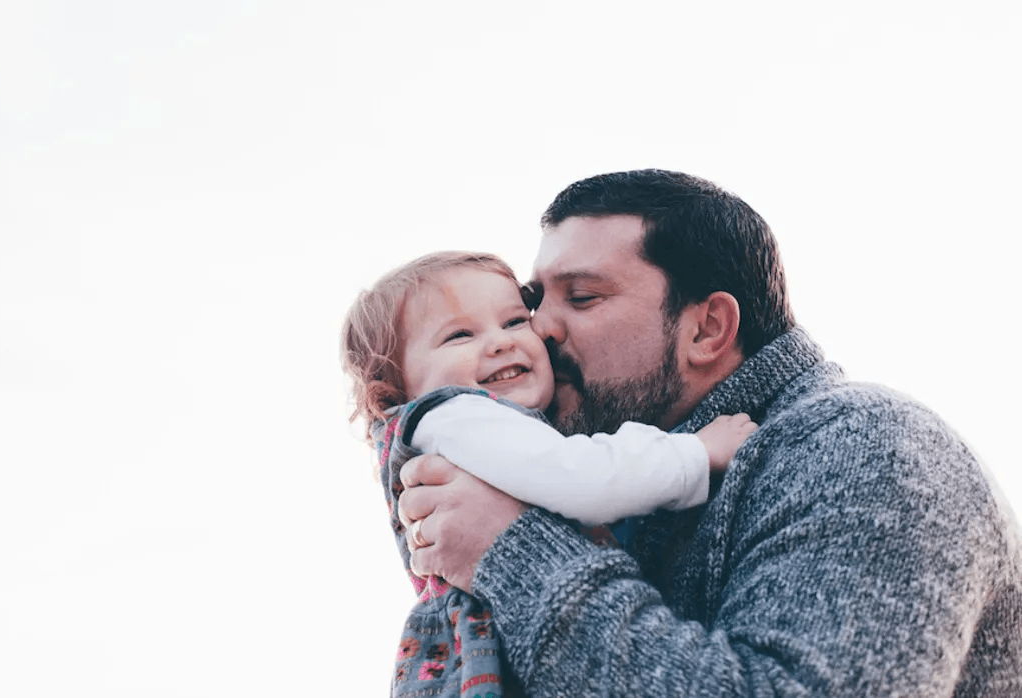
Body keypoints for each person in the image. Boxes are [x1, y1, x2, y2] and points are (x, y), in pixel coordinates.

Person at [396, 169, 1022, 697]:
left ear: (707, 330)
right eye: (534, 301)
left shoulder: (866, 447)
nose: (540, 331)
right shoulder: (617, 489)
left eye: (581, 297)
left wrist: (512, 552)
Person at [341, 250, 758, 697]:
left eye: (515, 321)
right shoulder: (454, 414)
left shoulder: (484, 428)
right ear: (396, 387)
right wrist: (697, 452)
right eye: (459, 335)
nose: (500, 342)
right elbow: (586, 479)